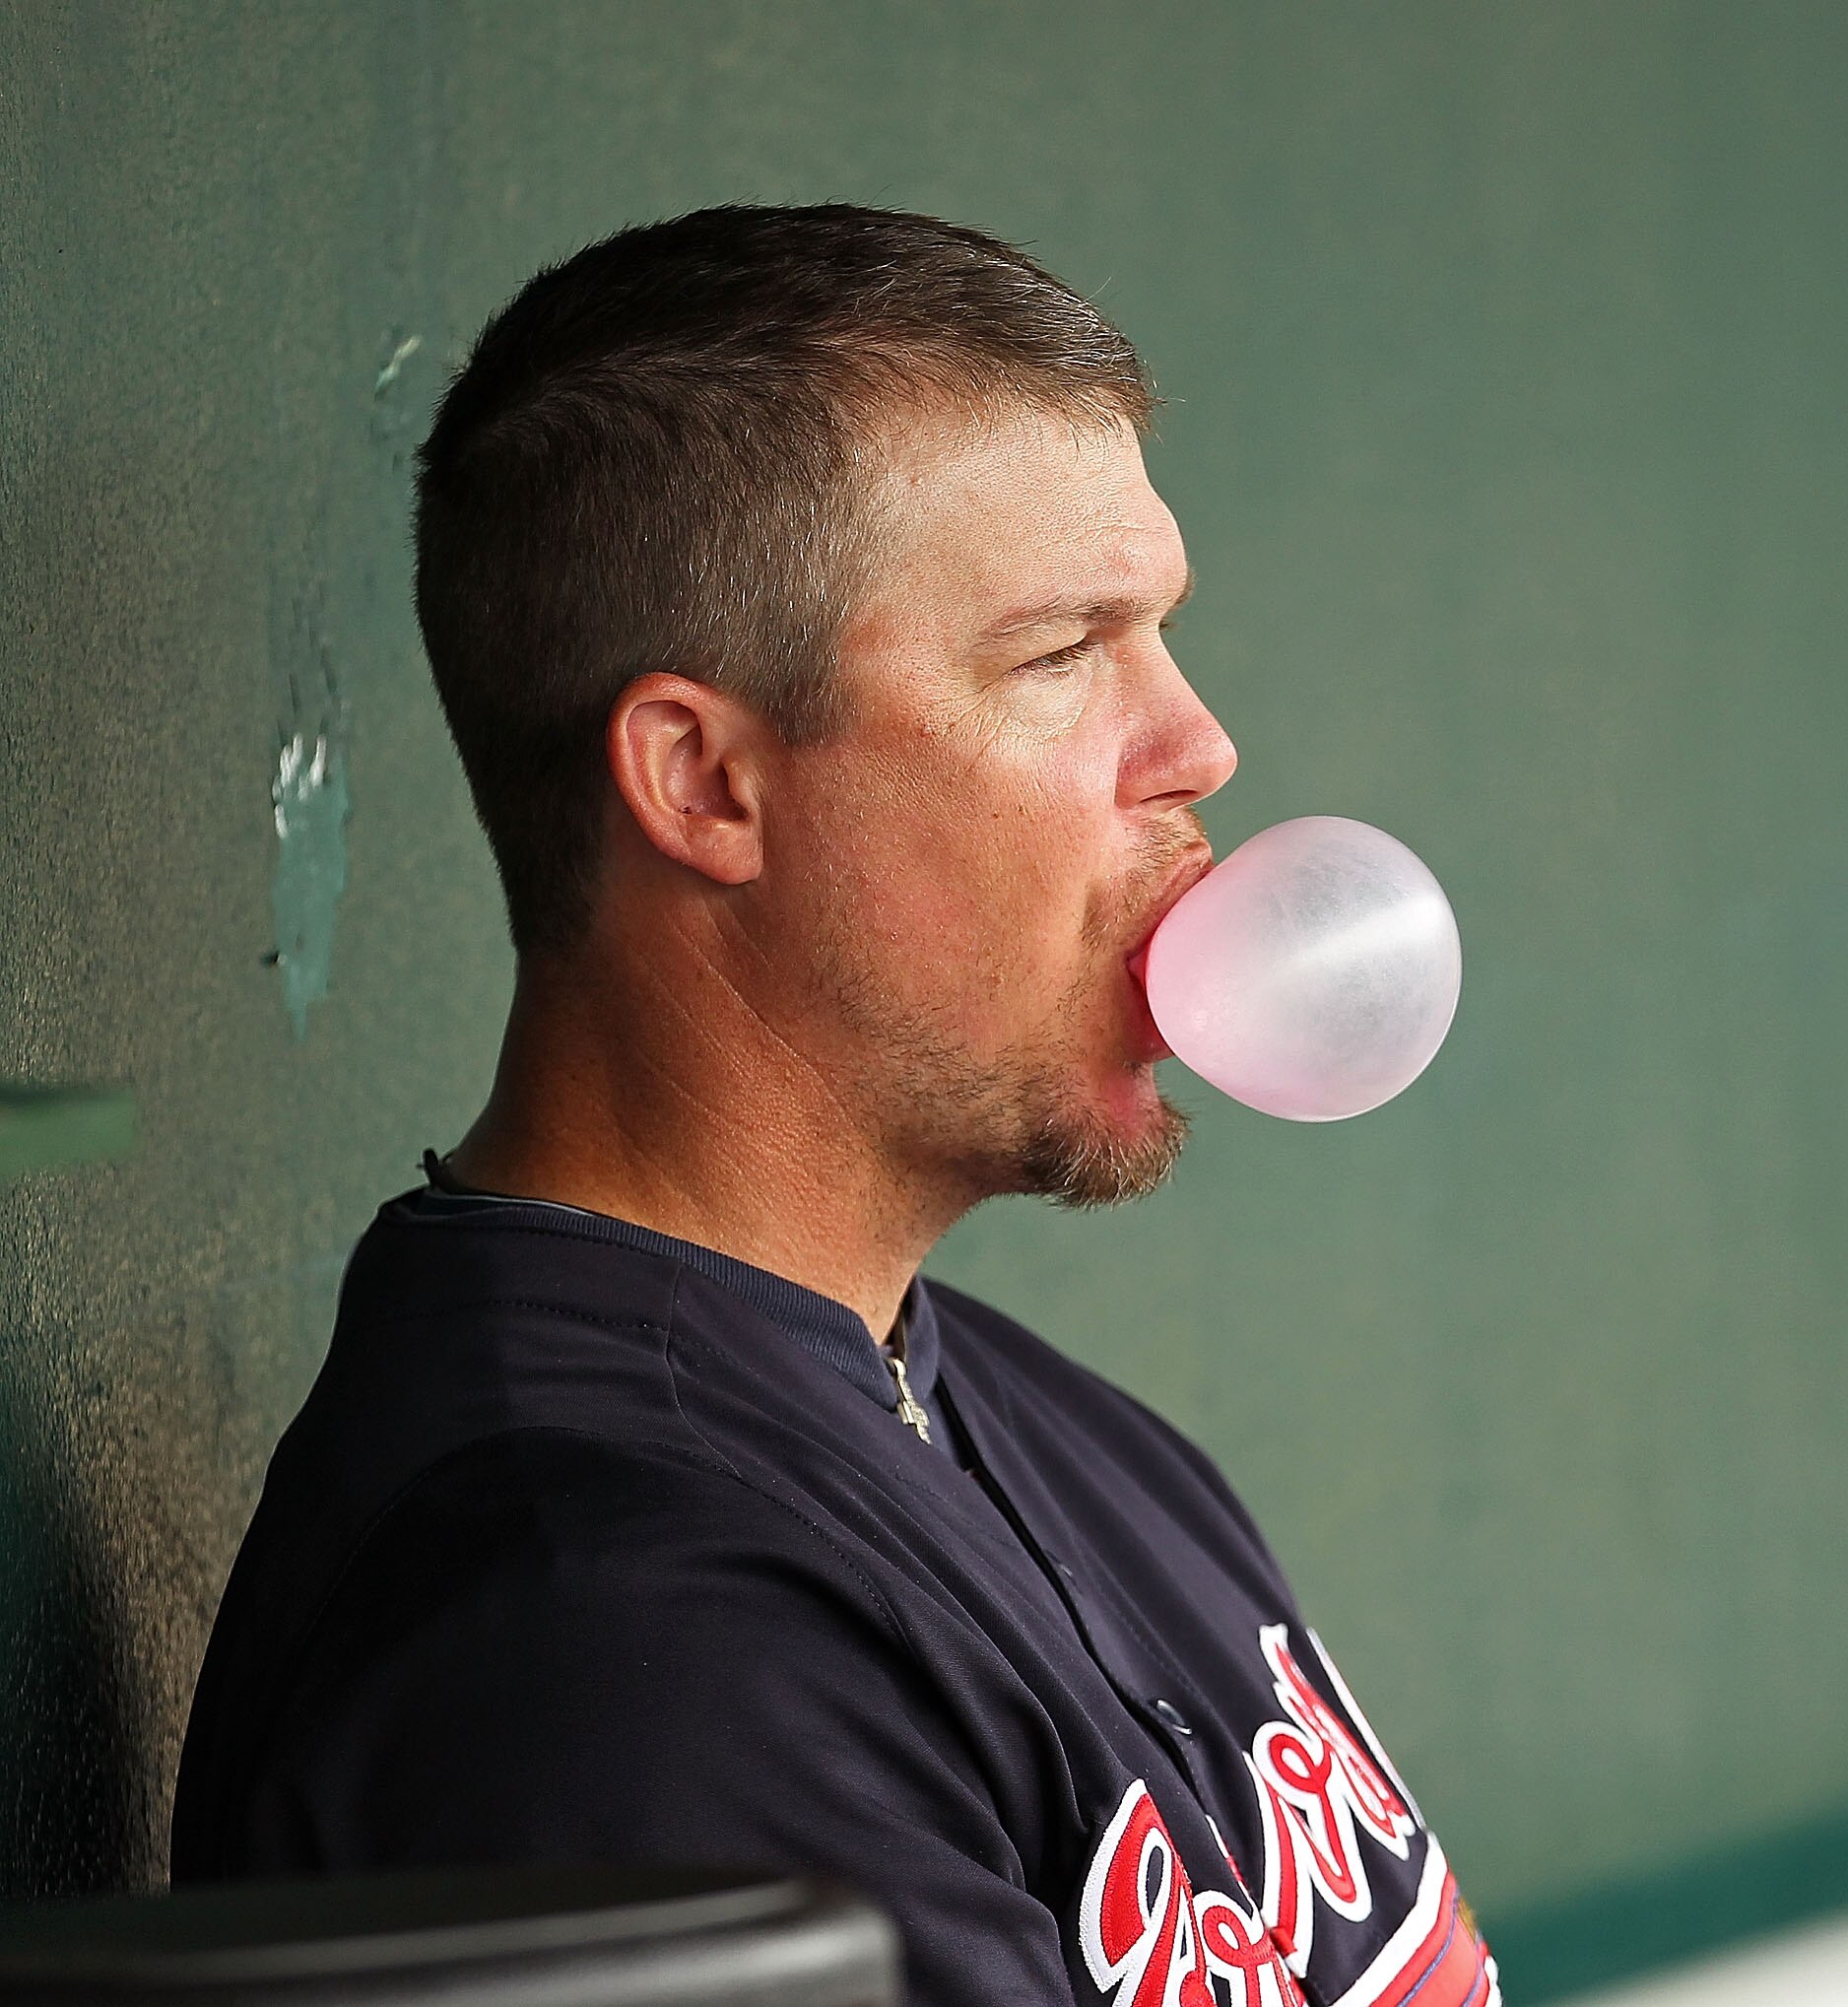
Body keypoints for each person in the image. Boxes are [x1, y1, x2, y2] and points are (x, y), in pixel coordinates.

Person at [172, 204, 1496, 2007]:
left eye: (1162, 633)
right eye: (1059, 654)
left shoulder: (1048, 1434)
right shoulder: (622, 1652)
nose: (1197, 747)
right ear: (705, 781)